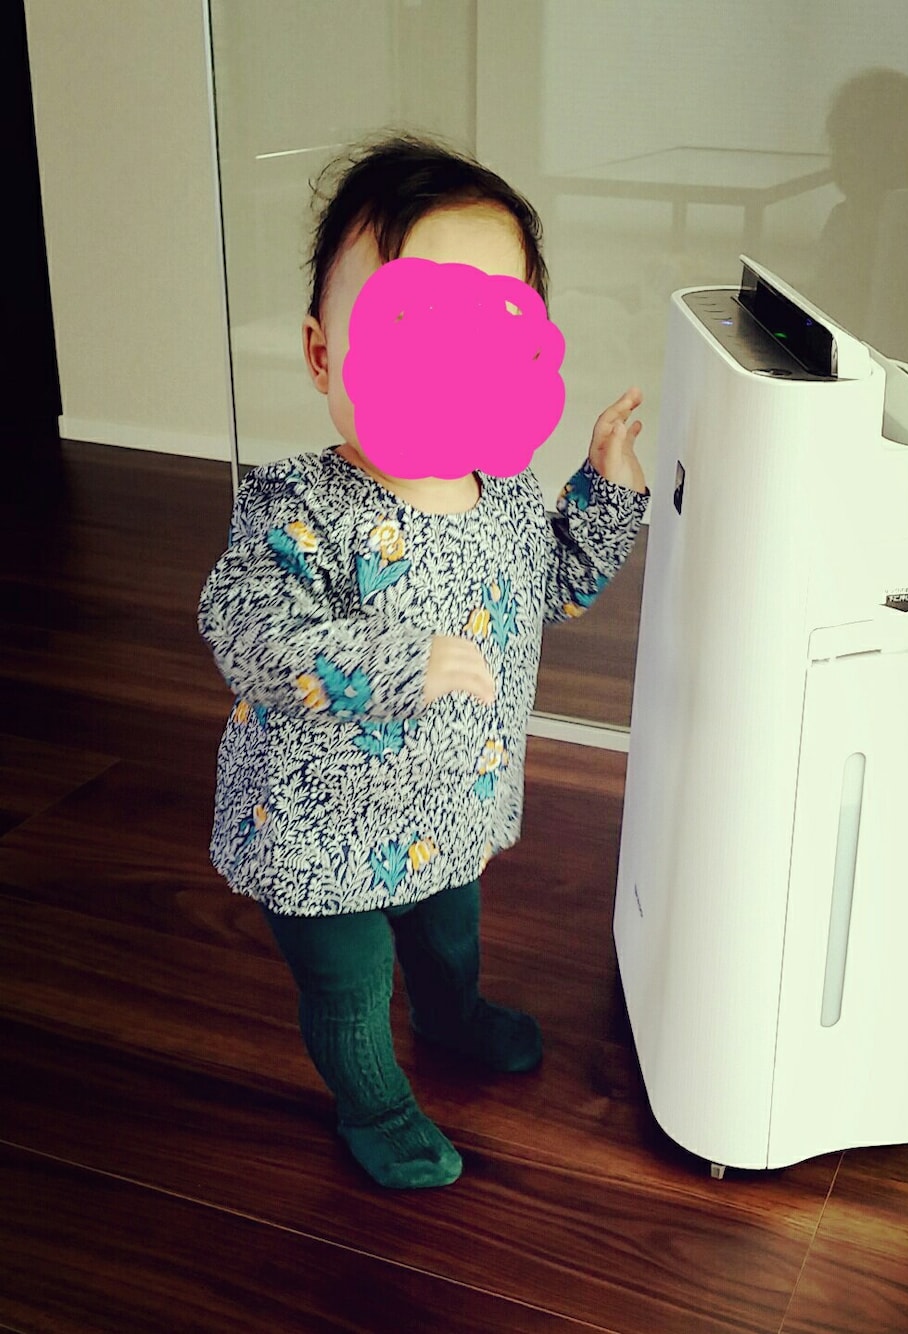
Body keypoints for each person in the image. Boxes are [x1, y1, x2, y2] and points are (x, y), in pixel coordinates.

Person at [198, 131, 650, 1189]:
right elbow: (246, 628)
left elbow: (555, 583)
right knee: (351, 985)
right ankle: (375, 1105)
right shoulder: (298, 504)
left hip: (449, 805)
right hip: (318, 829)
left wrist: (607, 489)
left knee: (450, 934)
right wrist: (398, 660)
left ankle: (452, 1018)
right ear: (324, 353)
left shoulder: (503, 493)